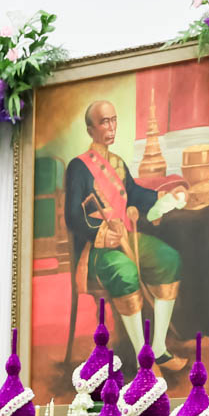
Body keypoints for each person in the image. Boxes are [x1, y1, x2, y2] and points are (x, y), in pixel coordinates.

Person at [65, 99, 186, 370]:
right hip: (96, 249)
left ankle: (158, 349)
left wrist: (165, 196)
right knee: (126, 273)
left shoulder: (118, 163)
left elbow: (134, 193)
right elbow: (73, 215)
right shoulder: (78, 167)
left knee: (169, 259)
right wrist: (100, 233)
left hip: (127, 239)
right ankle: (144, 360)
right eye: (104, 122)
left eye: (113, 120)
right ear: (90, 130)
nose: (111, 127)